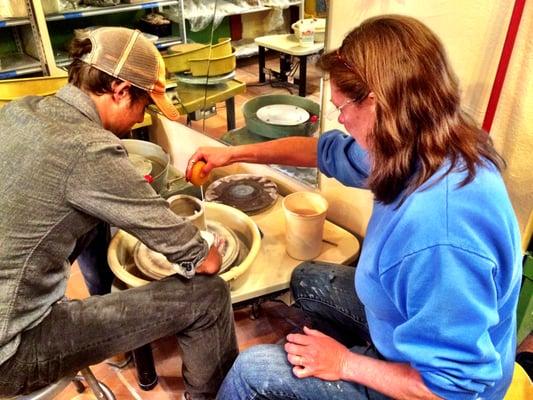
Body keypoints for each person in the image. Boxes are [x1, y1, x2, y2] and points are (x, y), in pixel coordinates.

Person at [186, 15, 522, 400]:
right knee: (307, 280)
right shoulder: (418, 142)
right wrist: (231, 154)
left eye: (343, 107)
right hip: (405, 332)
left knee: (251, 370)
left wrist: (345, 364)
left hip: (437, 388)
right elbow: (320, 151)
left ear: (379, 102)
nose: (341, 120)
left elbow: (453, 390)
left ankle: (355, 373)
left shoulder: (439, 232)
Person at [0, 27, 238, 399]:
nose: (142, 119)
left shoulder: (21, 111)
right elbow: (202, 261)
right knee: (210, 296)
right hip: (11, 350)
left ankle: (101, 306)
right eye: (145, 107)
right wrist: (212, 247)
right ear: (121, 90)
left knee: (94, 221)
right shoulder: (89, 150)